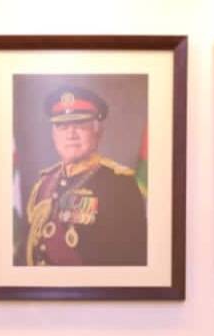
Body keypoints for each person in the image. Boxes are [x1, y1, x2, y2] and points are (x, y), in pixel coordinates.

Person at [19, 86, 147, 267]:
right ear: (54, 135)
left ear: (97, 131)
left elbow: (131, 260)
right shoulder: (43, 185)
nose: (71, 134)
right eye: (62, 126)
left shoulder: (119, 185)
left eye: (80, 125)